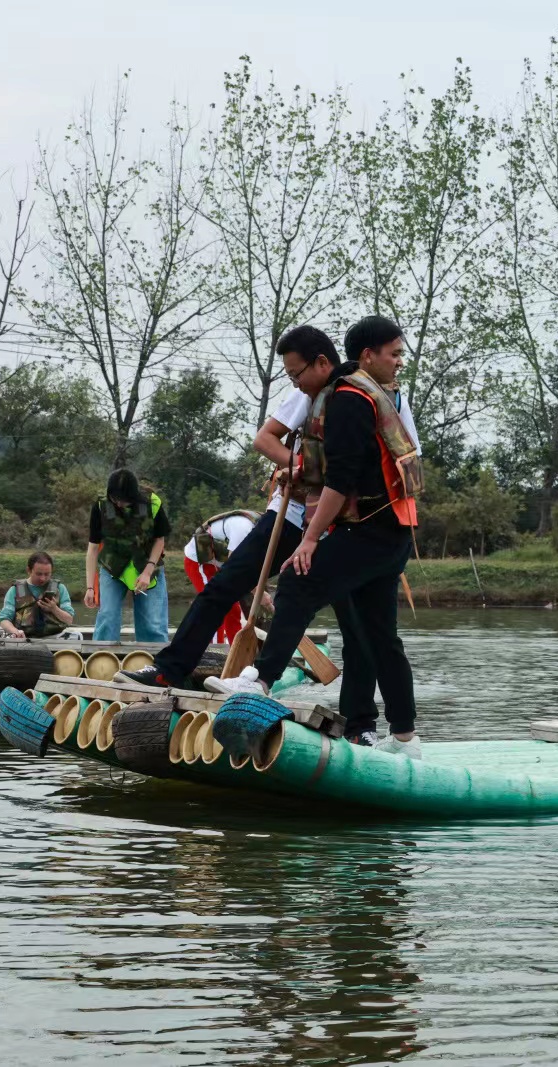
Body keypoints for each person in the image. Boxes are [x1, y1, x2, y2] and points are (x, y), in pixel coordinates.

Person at [208, 315, 423, 762]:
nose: (399, 362)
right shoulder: (367, 392)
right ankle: (405, 739)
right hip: (391, 532)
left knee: (299, 582)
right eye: (395, 353)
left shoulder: (348, 397)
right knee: (382, 636)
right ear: (368, 355)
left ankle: (260, 682)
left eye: (398, 353)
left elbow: (341, 479)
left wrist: (309, 539)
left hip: (372, 531)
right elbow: (343, 471)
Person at [115, 325, 339, 688]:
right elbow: (265, 438)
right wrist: (299, 469)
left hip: (336, 523)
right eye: (291, 375)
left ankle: (356, 716)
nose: (295, 382)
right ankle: (169, 669)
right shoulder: (306, 395)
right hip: (293, 514)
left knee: (331, 608)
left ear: (322, 362)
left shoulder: (356, 398)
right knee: (223, 587)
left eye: (296, 374)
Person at [85, 469, 171, 643]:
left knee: (152, 624)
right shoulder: (101, 506)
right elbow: (93, 548)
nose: (118, 504)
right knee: (107, 617)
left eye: (123, 501)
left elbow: (159, 540)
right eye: (115, 499)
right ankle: (101, 662)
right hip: (113, 567)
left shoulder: (152, 503)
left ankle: (155, 666)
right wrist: (90, 588)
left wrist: (147, 572)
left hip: (147, 566)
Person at [182, 509, 259, 645]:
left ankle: (236, 650)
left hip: (219, 566)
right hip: (199, 563)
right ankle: (216, 652)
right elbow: (235, 567)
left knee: (233, 610)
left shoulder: (259, 532)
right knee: (215, 606)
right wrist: (259, 593)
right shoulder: (243, 528)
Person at [0, 550, 74, 640]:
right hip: (24, 638)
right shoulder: (16, 590)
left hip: (56, 638)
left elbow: (69, 620)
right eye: (39, 574)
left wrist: (54, 609)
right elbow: (4, 620)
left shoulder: (59, 588)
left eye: (47, 574)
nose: (43, 578)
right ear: (29, 570)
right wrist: (15, 631)